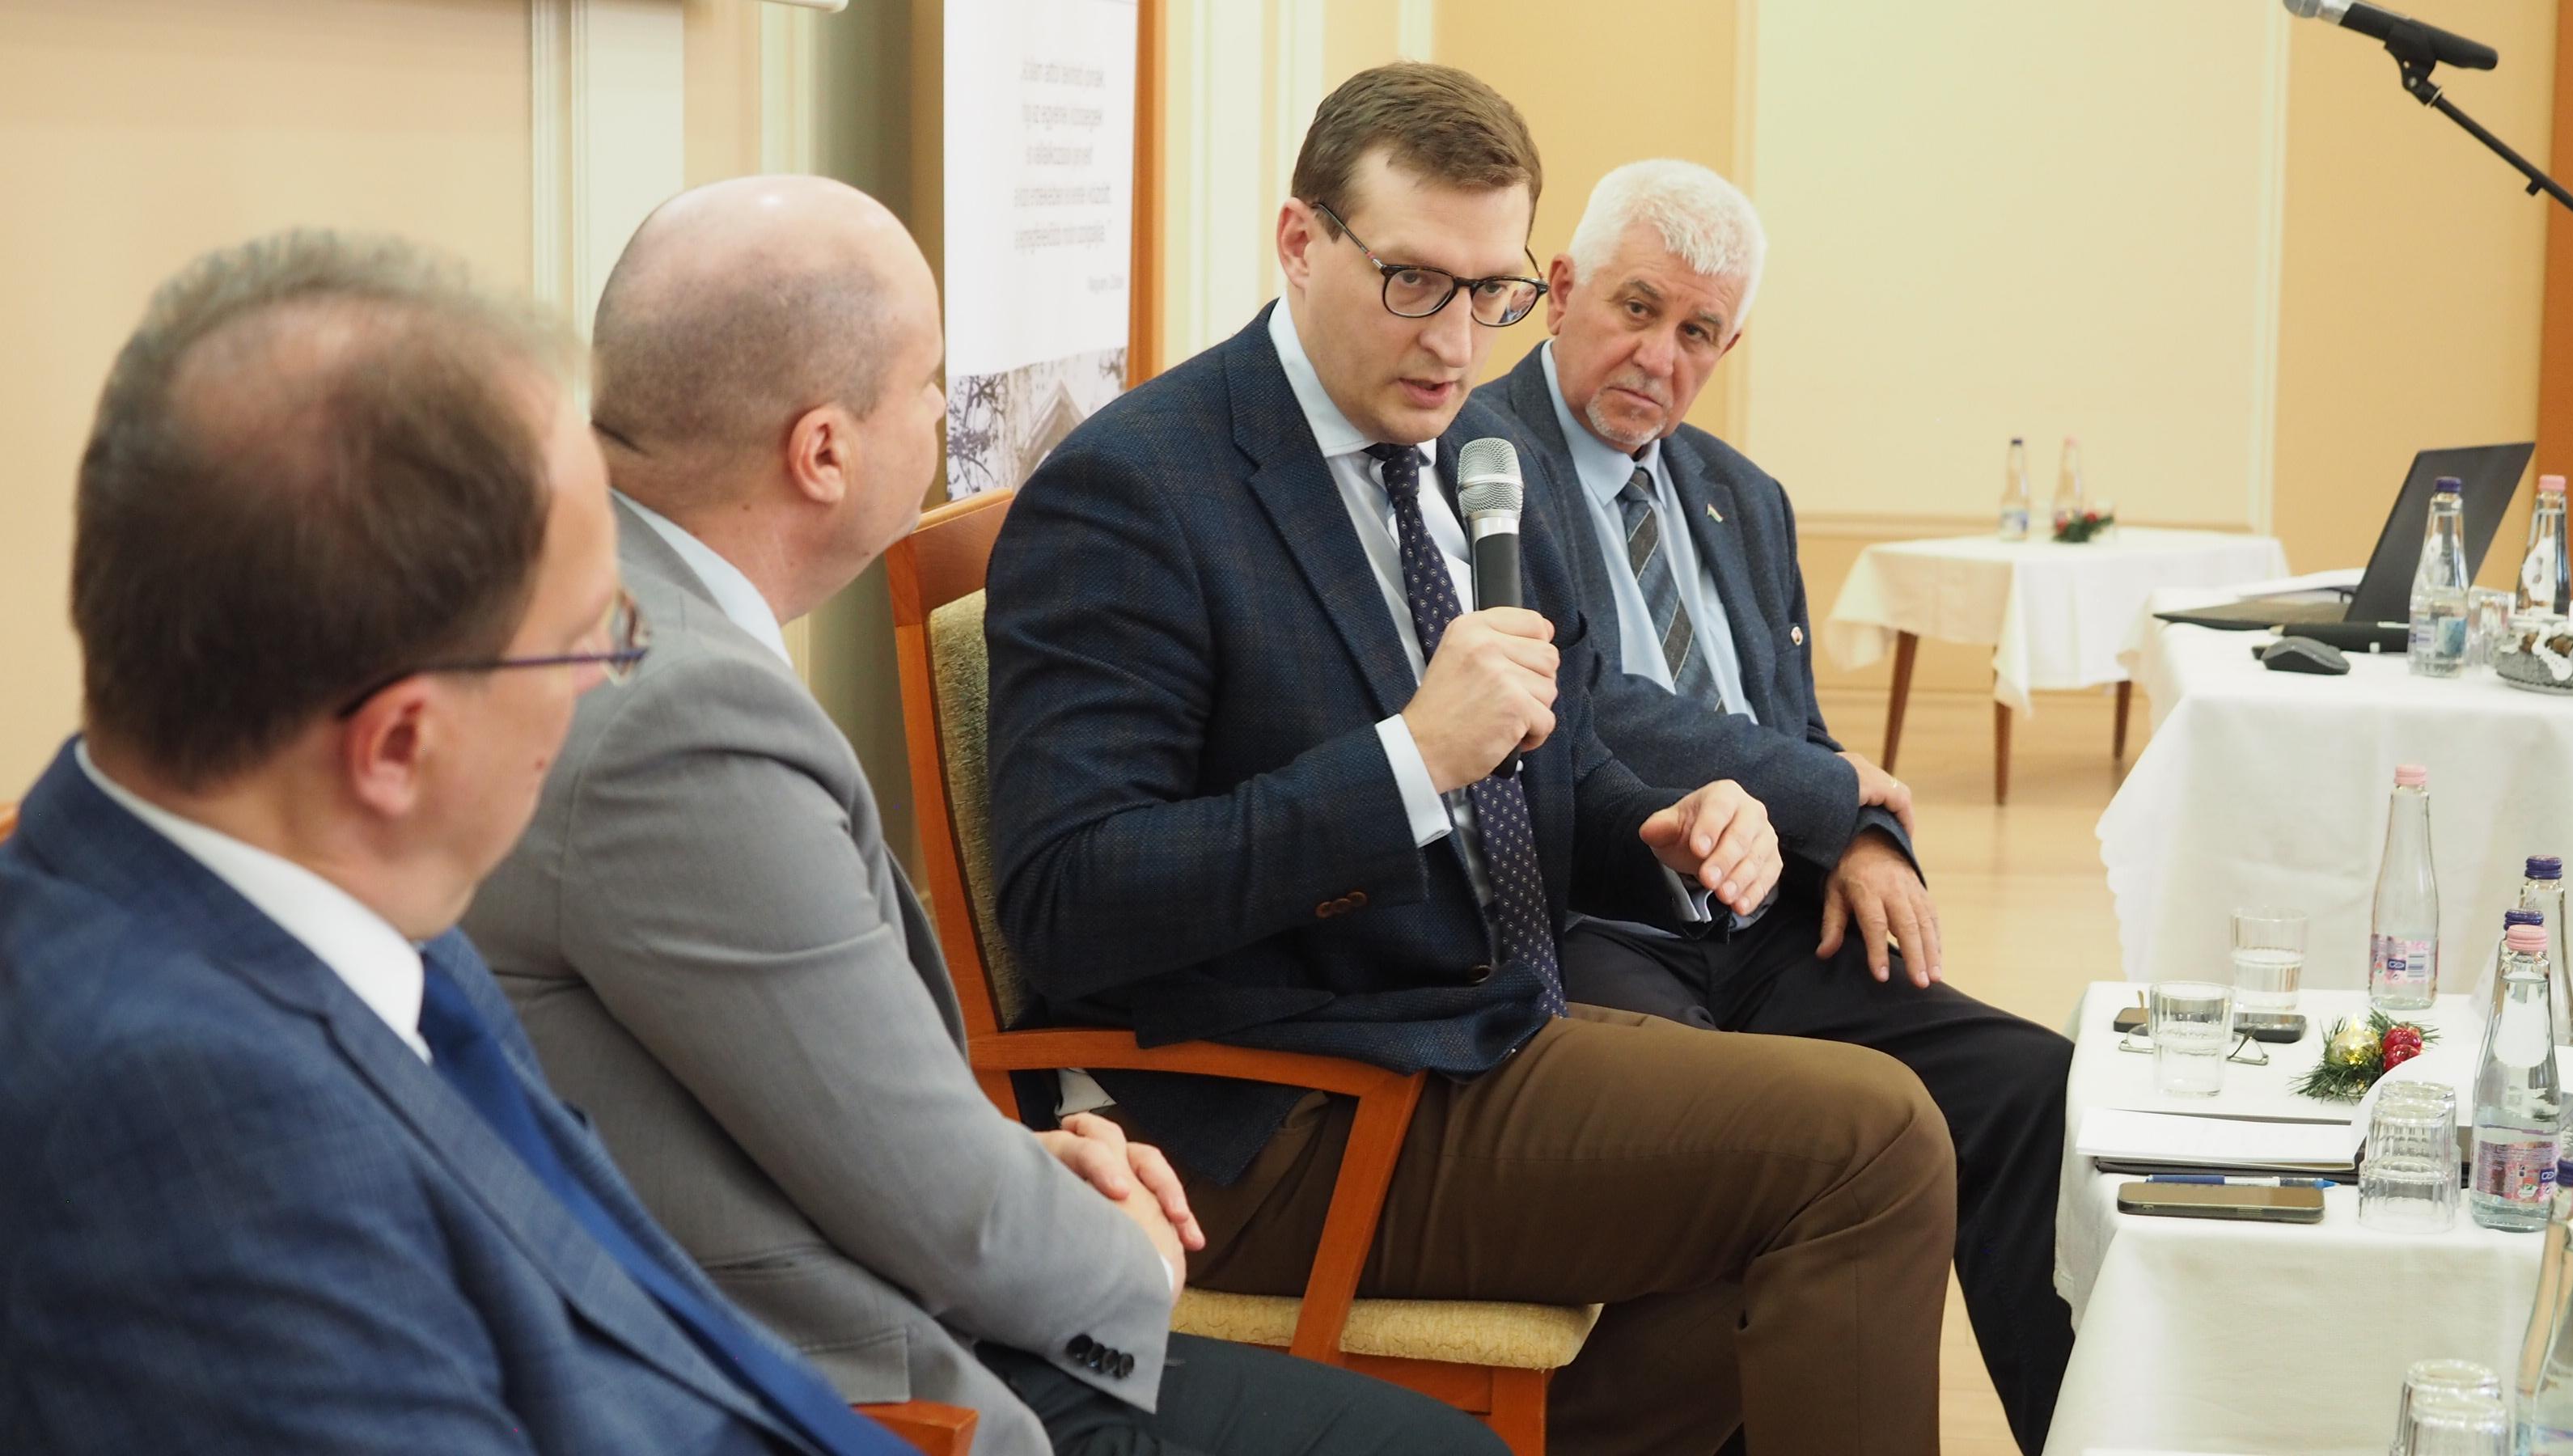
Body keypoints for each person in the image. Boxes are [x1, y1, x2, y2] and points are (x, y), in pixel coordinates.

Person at [985, 61, 1958, 1456]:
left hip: (1473, 1025)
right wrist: (1406, 761)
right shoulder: (1139, 489)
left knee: (1814, 1225)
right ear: (1299, 241)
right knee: (1872, 1142)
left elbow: (1557, 766)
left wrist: (1662, 829)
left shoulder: (1473, 460)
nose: (1455, 342)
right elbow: (1074, 900)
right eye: (1414, 283)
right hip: (1275, 1110)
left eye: (1492, 291)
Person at [462, 175, 1504, 1456]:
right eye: (928, 383)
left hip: (838, 1258)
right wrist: (1129, 1257)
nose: (944, 411)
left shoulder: (602, 610)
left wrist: (1014, 1162)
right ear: (824, 452)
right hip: (800, 1371)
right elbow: (932, 1201)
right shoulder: (678, 719)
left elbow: (814, 1084)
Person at [0, 231, 912, 1454]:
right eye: (590, 635)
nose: (605, 674)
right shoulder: (192, 1138)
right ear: (398, 747)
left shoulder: (363, 908)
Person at [1468, 158, 2076, 1452]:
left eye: (1699, 333)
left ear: (1729, 347)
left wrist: (1865, 836)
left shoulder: (1743, 496)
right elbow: (1584, 700)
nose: (1660, 357)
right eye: (1637, 308)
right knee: (1763, 1156)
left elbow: (1794, 728)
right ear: (1563, 290)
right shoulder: (1479, 465)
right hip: (1600, 918)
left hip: (1768, 919)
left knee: (2034, 1088)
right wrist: (1835, 793)